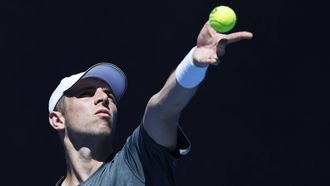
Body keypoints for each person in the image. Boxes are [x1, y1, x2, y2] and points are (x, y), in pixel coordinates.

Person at [48, 21, 253, 186]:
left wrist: (194, 64)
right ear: (58, 120)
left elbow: (162, 111)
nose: (103, 98)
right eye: (86, 93)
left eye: (109, 95)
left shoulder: (139, 161)